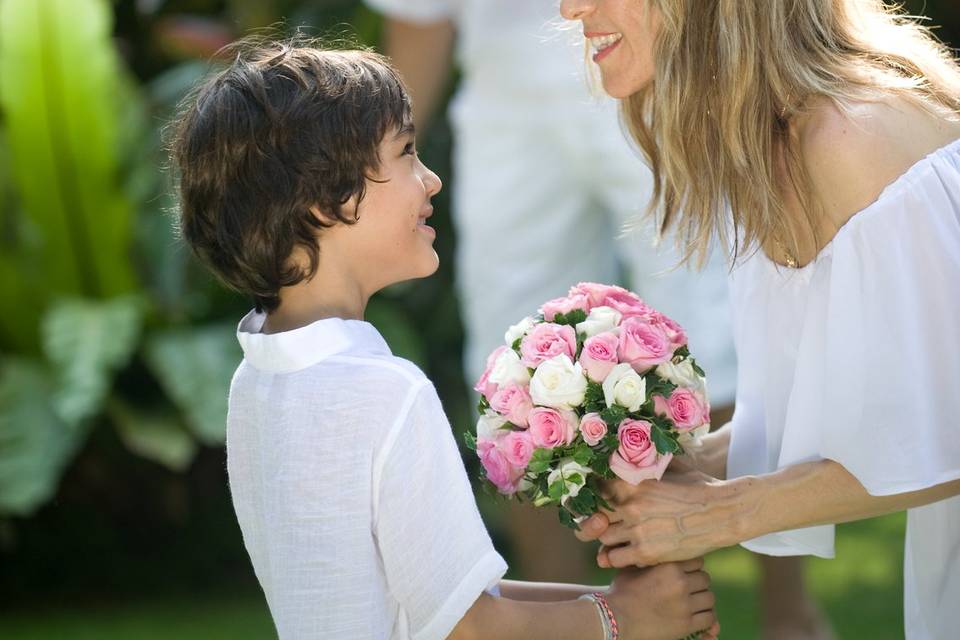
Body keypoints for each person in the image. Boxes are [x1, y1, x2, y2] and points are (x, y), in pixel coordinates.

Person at [168, 38, 719, 639]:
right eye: (405, 152)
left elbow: (437, 599)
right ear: (326, 198)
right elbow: (467, 629)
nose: (429, 180)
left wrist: (617, 602)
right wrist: (623, 622)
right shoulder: (384, 391)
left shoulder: (258, 383)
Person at [558, 1, 960, 638]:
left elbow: (948, 434)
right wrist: (683, 467)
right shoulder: (771, 142)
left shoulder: (852, 137)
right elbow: (847, 412)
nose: (570, 7)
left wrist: (720, 515)